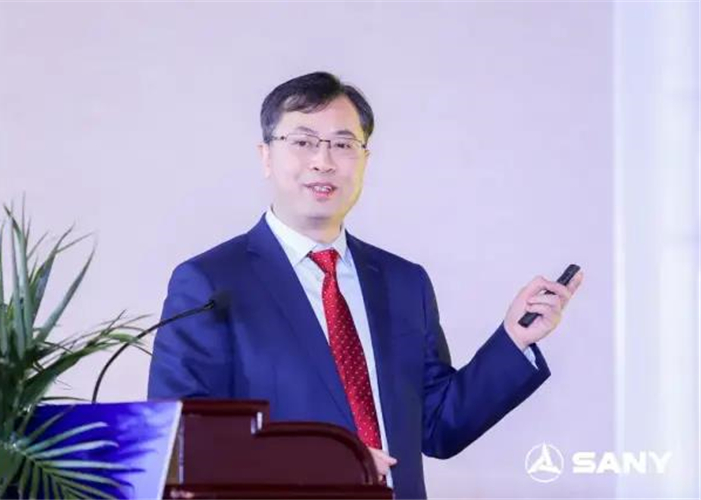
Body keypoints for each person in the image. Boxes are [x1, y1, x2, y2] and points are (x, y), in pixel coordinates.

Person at [148, 71, 583, 499]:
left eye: (343, 144)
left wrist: (513, 340)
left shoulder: (403, 282)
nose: (323, 161)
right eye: (303, 142)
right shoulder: (210, 282)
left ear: (364, 160)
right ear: (266, 156)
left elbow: (439, 428)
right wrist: (325, 465)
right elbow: (184, 445)